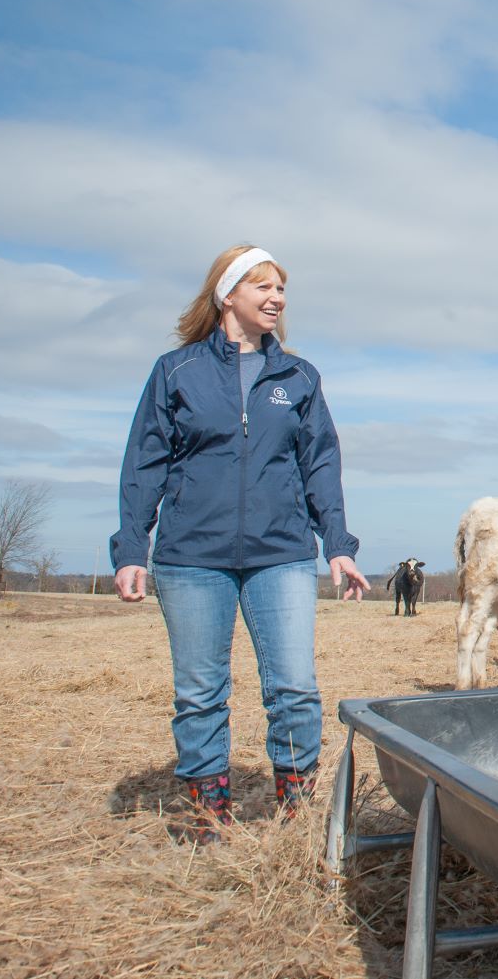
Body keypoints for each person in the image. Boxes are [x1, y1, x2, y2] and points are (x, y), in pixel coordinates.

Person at [111, 244, 369, 840]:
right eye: (263, 286)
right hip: (191, 557)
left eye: (281, 289)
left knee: (295, 688)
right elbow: (144, 464)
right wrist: (130, 549)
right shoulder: (176, 371)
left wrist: (337, 542)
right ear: (227, 295)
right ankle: (210, 818)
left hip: (281, 553)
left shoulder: (299, 377)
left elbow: (320, 465)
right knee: (200, 693)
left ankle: (297, 815)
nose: (277, 298)